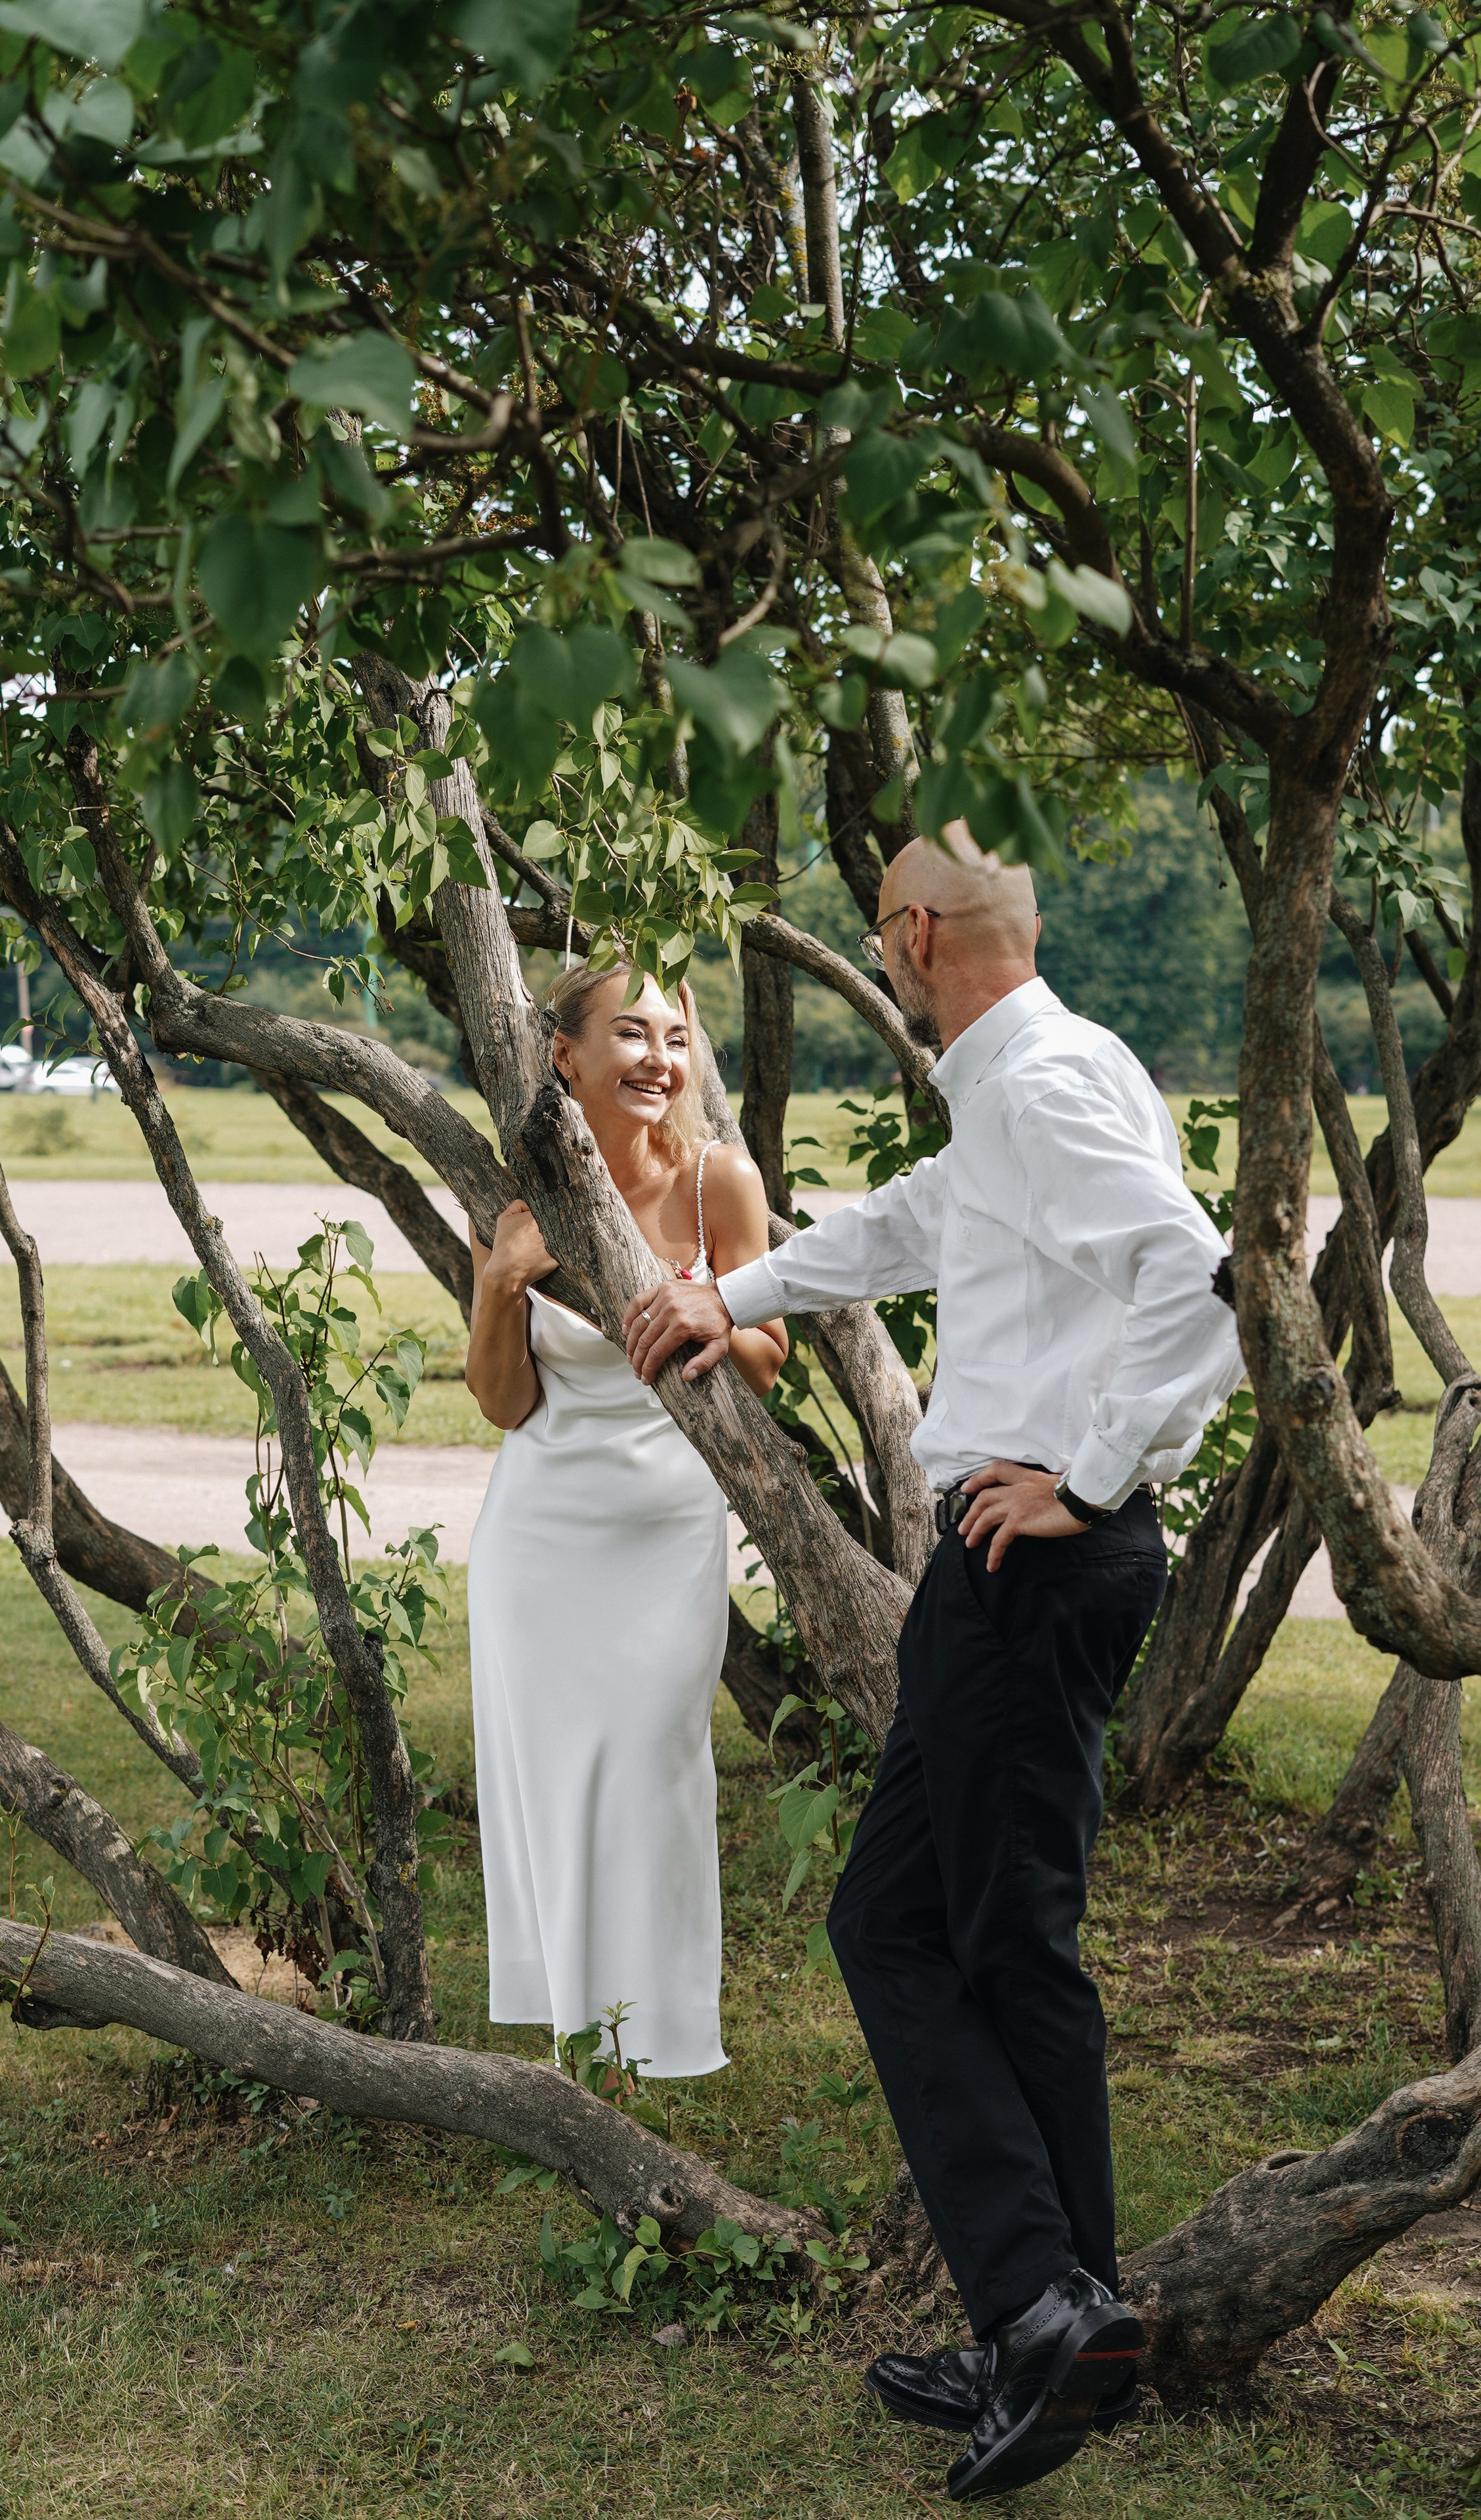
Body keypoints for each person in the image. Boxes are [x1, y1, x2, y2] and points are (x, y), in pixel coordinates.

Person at [622, 824, 1242, 2500]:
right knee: (952, 1932)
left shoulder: (1034, 1089)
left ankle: (1044, 2307)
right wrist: (724, 1285)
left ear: (904, 934)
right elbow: (912, 1227)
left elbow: (1199, 1286)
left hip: (1027, 1558)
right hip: (1013, 1565)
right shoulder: (1034, 1076)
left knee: (942, 1932)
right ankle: (1053, 2315)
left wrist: (1093, 1475)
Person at [463, 961, 786, 2082]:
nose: (660, 1058)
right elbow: (505, 1402)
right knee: (554, 1778)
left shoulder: (720, 1185)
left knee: (653, 1765)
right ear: (566, 1056)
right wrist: (505, 1282)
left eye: (677, 1038)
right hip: (539, 1537)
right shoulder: (519, 1196)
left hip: (667, 1534)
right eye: (631, 1033)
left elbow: (770, 1361)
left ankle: (662, 2040)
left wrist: (701, 1306)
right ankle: (573, 2038)